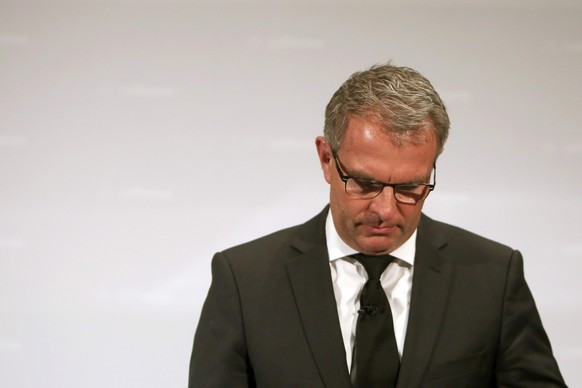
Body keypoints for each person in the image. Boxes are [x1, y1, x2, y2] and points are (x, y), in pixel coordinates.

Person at [188, 63, 567, 387]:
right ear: (325, 158)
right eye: (365, 184)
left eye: (410, 187)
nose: (385, 210)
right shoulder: (244, 280)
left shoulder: (493, 277)